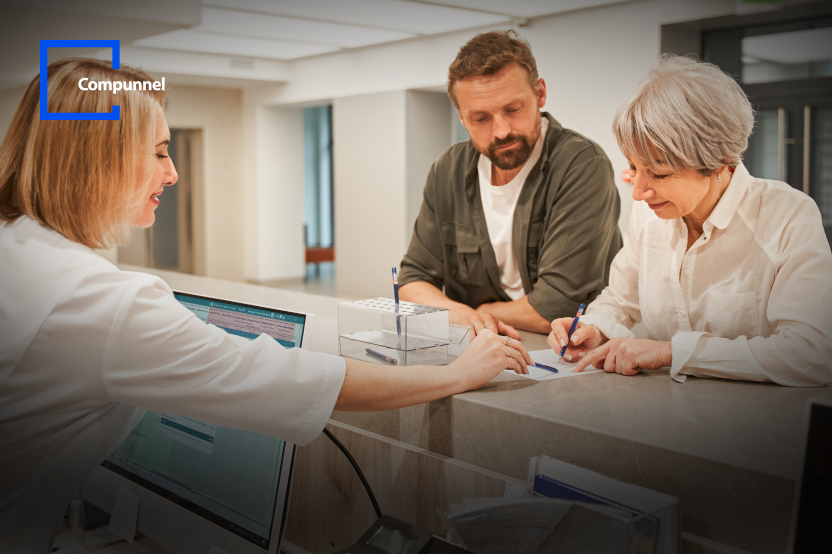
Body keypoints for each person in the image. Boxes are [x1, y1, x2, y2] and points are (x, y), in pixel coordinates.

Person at [0, 58, 532, 553]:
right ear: (99, 159)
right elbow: (285, 379)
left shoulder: (17, 248)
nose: (173, 173)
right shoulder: (102, 302)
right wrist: (458, 374)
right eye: (160, 151)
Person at [549, 54, 832, 386]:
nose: (638, 192)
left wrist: (671, 353)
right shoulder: (650, 212)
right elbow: (622, 297)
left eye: (659, 173)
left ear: (719, 161)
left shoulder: (788, 216)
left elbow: (809, 355)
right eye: (633, 168)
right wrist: (594, 328)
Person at [398, 31, 622, 339]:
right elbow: (412, 281)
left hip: (567, 352)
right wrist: (459, 313)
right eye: (480, 119)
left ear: (540, 94)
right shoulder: (447, 170)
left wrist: (473, 314)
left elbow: (557, 308)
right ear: (461, 118)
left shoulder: (581, 164)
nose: (501, 131)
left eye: (513, 110)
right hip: (480, 345)